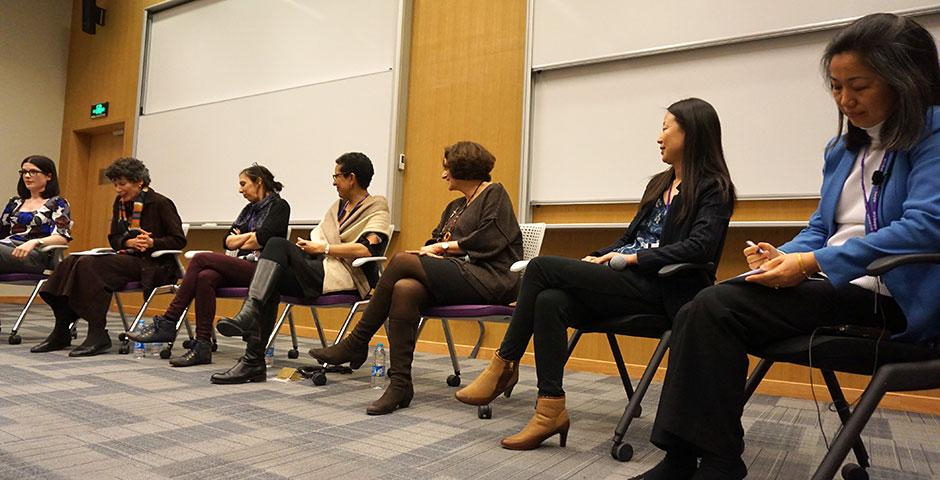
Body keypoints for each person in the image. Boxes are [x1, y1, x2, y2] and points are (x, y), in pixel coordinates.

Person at [636, 14, 940, 480]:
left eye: (858, 85)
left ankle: (714, 464)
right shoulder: (841, 150)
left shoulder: (932, 134)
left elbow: (925, 228)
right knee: (704, 306)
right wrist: (782, 254)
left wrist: (810, 262)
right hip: (835, 284)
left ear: (908, 81)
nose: (845, 99)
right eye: (837, 87)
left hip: (893, 300)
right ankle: (683, 458)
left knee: (715, 307)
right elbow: (820, 228)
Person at [455, 98, 736, 450]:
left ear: (691, 133)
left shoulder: (714, 188)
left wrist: (633, 261)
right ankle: (550, 409)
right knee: (550, 300)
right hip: (626, 281)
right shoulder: (658, 185)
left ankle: (503, 363)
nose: (659, 137)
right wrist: (599, 255)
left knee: (541, 267)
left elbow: (699, 248)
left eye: (666, 127)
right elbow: (629, 239)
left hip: (665, 289)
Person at [308, 141, 523, 415]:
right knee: (405, 288)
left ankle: (356, 342)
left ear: (463, 168)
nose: (444, 175)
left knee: (400, 260)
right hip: (458, 275)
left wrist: (441, 248)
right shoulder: (456, 205)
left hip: (491, 278)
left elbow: (488, 238)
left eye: (447, 169)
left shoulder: (494, 193)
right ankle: (400, 385)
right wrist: (436, 248)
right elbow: (435, 238)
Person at [211, 152, 390, 384]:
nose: (333, 181)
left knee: (276, 244)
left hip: (345, 274)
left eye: (336, 176)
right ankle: (253, 362)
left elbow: (368, 250)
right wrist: (311, 248)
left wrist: (323, 248)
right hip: (319, 269)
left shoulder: (377, 207)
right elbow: (320, 238)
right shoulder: (338, 207)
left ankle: (249, 318)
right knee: (272, 280)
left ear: (351, 178)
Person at [126, 165, 289, 367]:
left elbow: (264, 238)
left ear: (259, 182)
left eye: (243, 184)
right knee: (205, 277)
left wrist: (243, 239)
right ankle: (202, 345)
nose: (240, 190)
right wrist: (249, 238)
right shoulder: (248, 210)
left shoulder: (279, 207)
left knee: (201, 259)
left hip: (264, 272)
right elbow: (226, 241)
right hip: (243, 265)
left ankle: (169, 320)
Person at [31, 157, 186, 357]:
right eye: (115, 184)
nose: (118, 189)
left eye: (122, 184)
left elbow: (178, 240)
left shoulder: (161, 203)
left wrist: (152, 243)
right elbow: (114, 238)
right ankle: (61, 329)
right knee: (70, 262)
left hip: (153, 264)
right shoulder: (120, 203)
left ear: (139, 182)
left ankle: (97, 334)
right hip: (126, 258)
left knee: (90, 265)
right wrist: (129, 243)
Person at [0, 155, 72, 274]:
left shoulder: (57, 203)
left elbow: (62, 237)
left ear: (48, 176)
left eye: (33, 172)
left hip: (35, 255)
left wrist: (34, 242)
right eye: (24, 172)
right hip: (7, 249)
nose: (27, 176)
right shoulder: (14, 203)